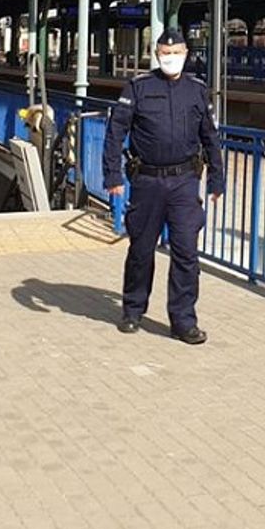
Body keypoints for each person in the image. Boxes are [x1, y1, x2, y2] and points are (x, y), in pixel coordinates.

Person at [102, 27, 225, 344]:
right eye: (165, 53)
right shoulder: (138, 87)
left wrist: (216, 179)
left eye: (177, 52)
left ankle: (184, 321)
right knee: (141, 251)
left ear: (186, 54)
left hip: (185, 182)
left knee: (186, 253)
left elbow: (210, 138)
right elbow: (116, 132)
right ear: (156, 54)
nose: (171, 57)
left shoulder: (197, 90)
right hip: (147, 182)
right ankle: (132, 310)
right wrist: (112, 176)